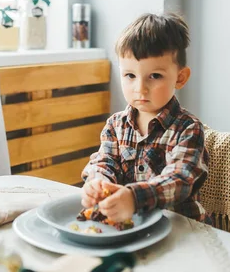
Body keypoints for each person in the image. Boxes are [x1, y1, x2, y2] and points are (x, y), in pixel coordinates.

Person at [81, 12, 210, 223]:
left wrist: (134, 198)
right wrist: (97, 183)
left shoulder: (188, 129)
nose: (140, 88)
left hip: (180, 229)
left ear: (180, 77)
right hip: (133, 226)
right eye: (130, 75)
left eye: (155, 76)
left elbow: (180, 180)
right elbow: (104, 162)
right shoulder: (115, 125)